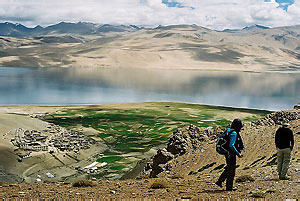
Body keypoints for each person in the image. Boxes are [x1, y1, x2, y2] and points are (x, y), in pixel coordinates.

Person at [215, 118, 244, 191]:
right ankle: (229, 188)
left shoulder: (229, 130)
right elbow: (231, 145)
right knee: (231, 171)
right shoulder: (234, 133)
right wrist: (238, 153)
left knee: (229, 168)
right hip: (230, 154)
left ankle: (220, 181)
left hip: (227, 152)